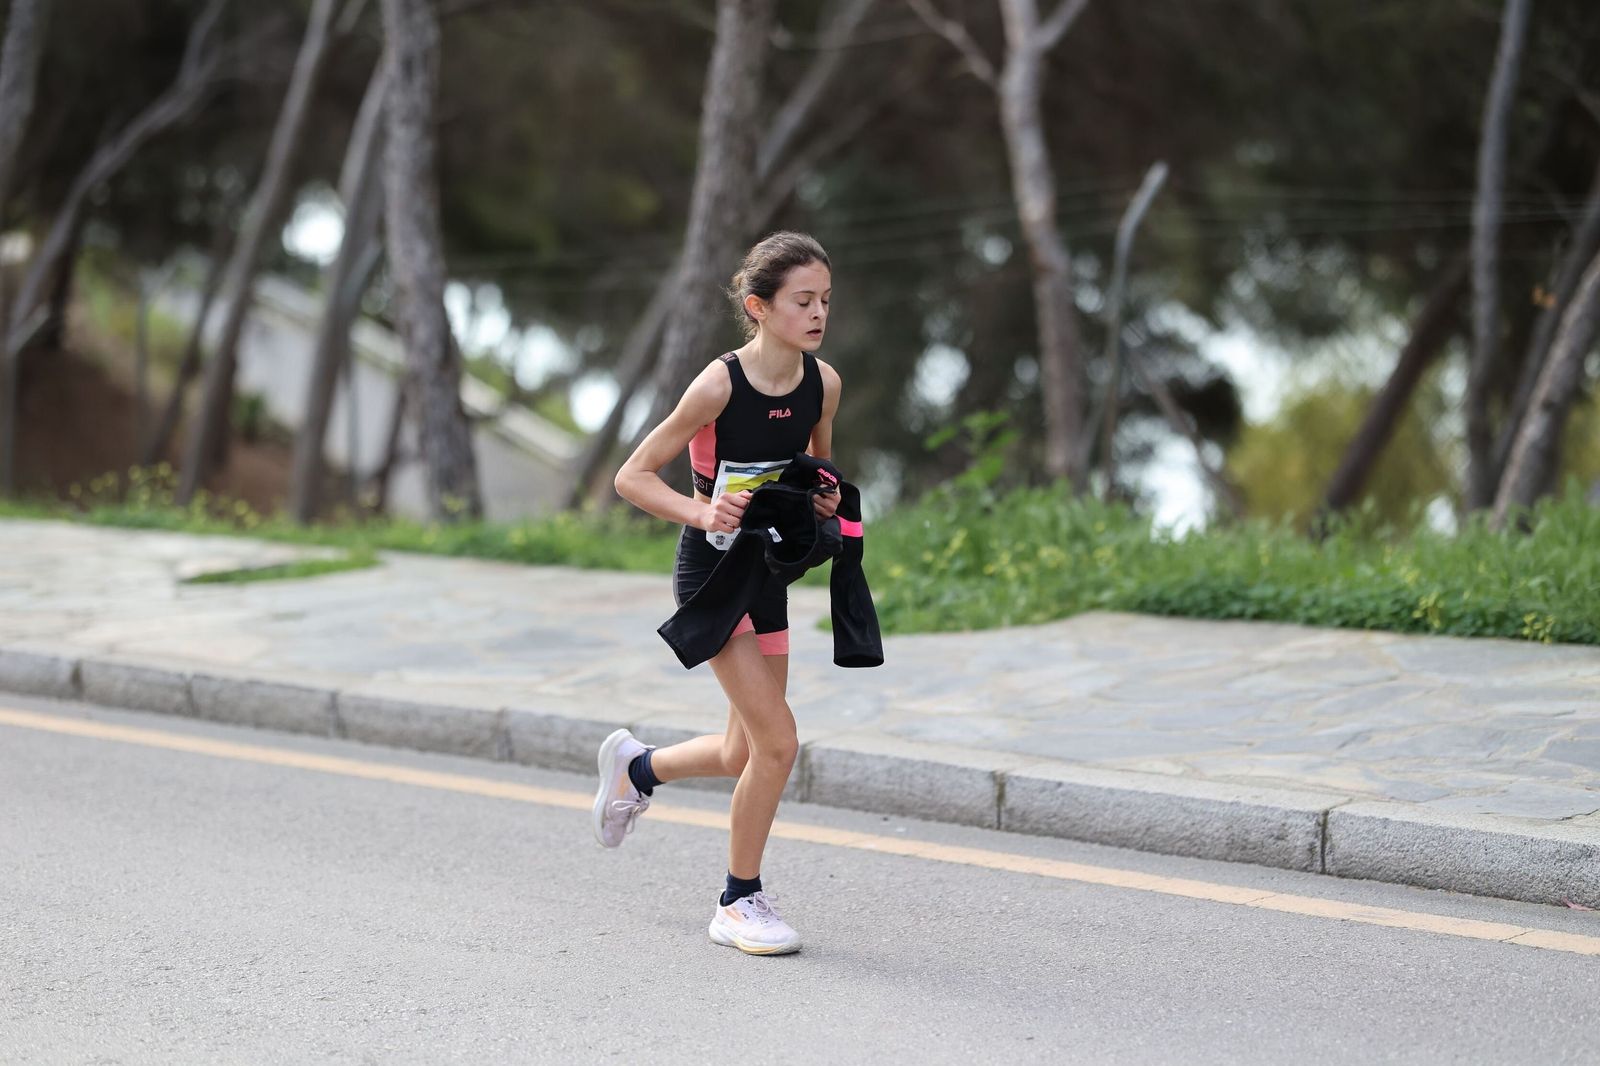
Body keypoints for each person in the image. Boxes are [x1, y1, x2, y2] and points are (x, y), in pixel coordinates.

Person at [594, 231, 842, 956]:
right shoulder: (718, 385)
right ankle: (738, 901)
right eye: (803, 301)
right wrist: (702, 510)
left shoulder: (822, 384)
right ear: (758, 307)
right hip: (711, 574)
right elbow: (632, 476)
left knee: (745, 751)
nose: (818, 313)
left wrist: (821, 501)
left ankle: (637, 769)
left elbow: (814, 473)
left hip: (765, 572)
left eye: (826, 300)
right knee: (779, 742)